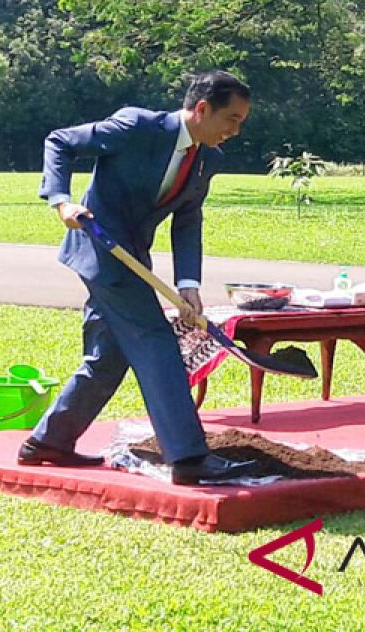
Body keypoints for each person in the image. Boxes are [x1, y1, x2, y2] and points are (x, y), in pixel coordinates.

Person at [18, 71, 256, 484]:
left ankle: (48, 442)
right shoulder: (135, 126)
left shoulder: (207, 160)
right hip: (100, 248)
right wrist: (60, 202)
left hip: (133, 257)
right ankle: (188, 457)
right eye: (231, 119)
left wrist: (189, 284)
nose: (235, 131)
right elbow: (60, 141)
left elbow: (187, 220)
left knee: (107, 359)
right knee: (156, 341)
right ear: (201, 109)